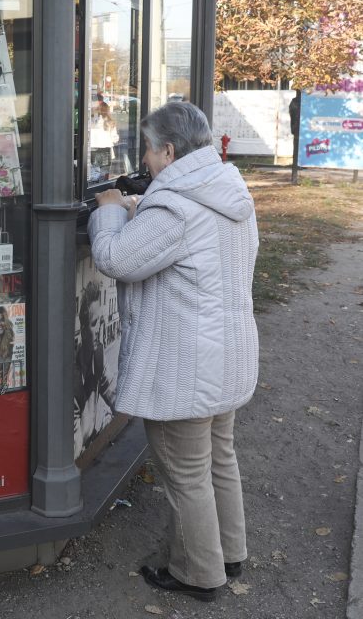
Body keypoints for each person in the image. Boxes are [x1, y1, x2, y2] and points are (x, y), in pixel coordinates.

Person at [88, 102, 258, 602]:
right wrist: (141, 212)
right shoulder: (226, 190)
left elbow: (118, 258)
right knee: (218, 459)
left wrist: (111, 211)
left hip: (185, 365)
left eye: (146, 147)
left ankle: (198, 574)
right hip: (226, 356)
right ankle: (230, 552)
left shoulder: (175, 206)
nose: (143, 156)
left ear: (167, 150)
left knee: (186, 474)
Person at [73, 281, 114, 450]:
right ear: (83, 329)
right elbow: (76, 444)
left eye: (101, 321)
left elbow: (115, 395)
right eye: (94, 323)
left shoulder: (96, 358)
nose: (100, 327)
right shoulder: (72, 376)